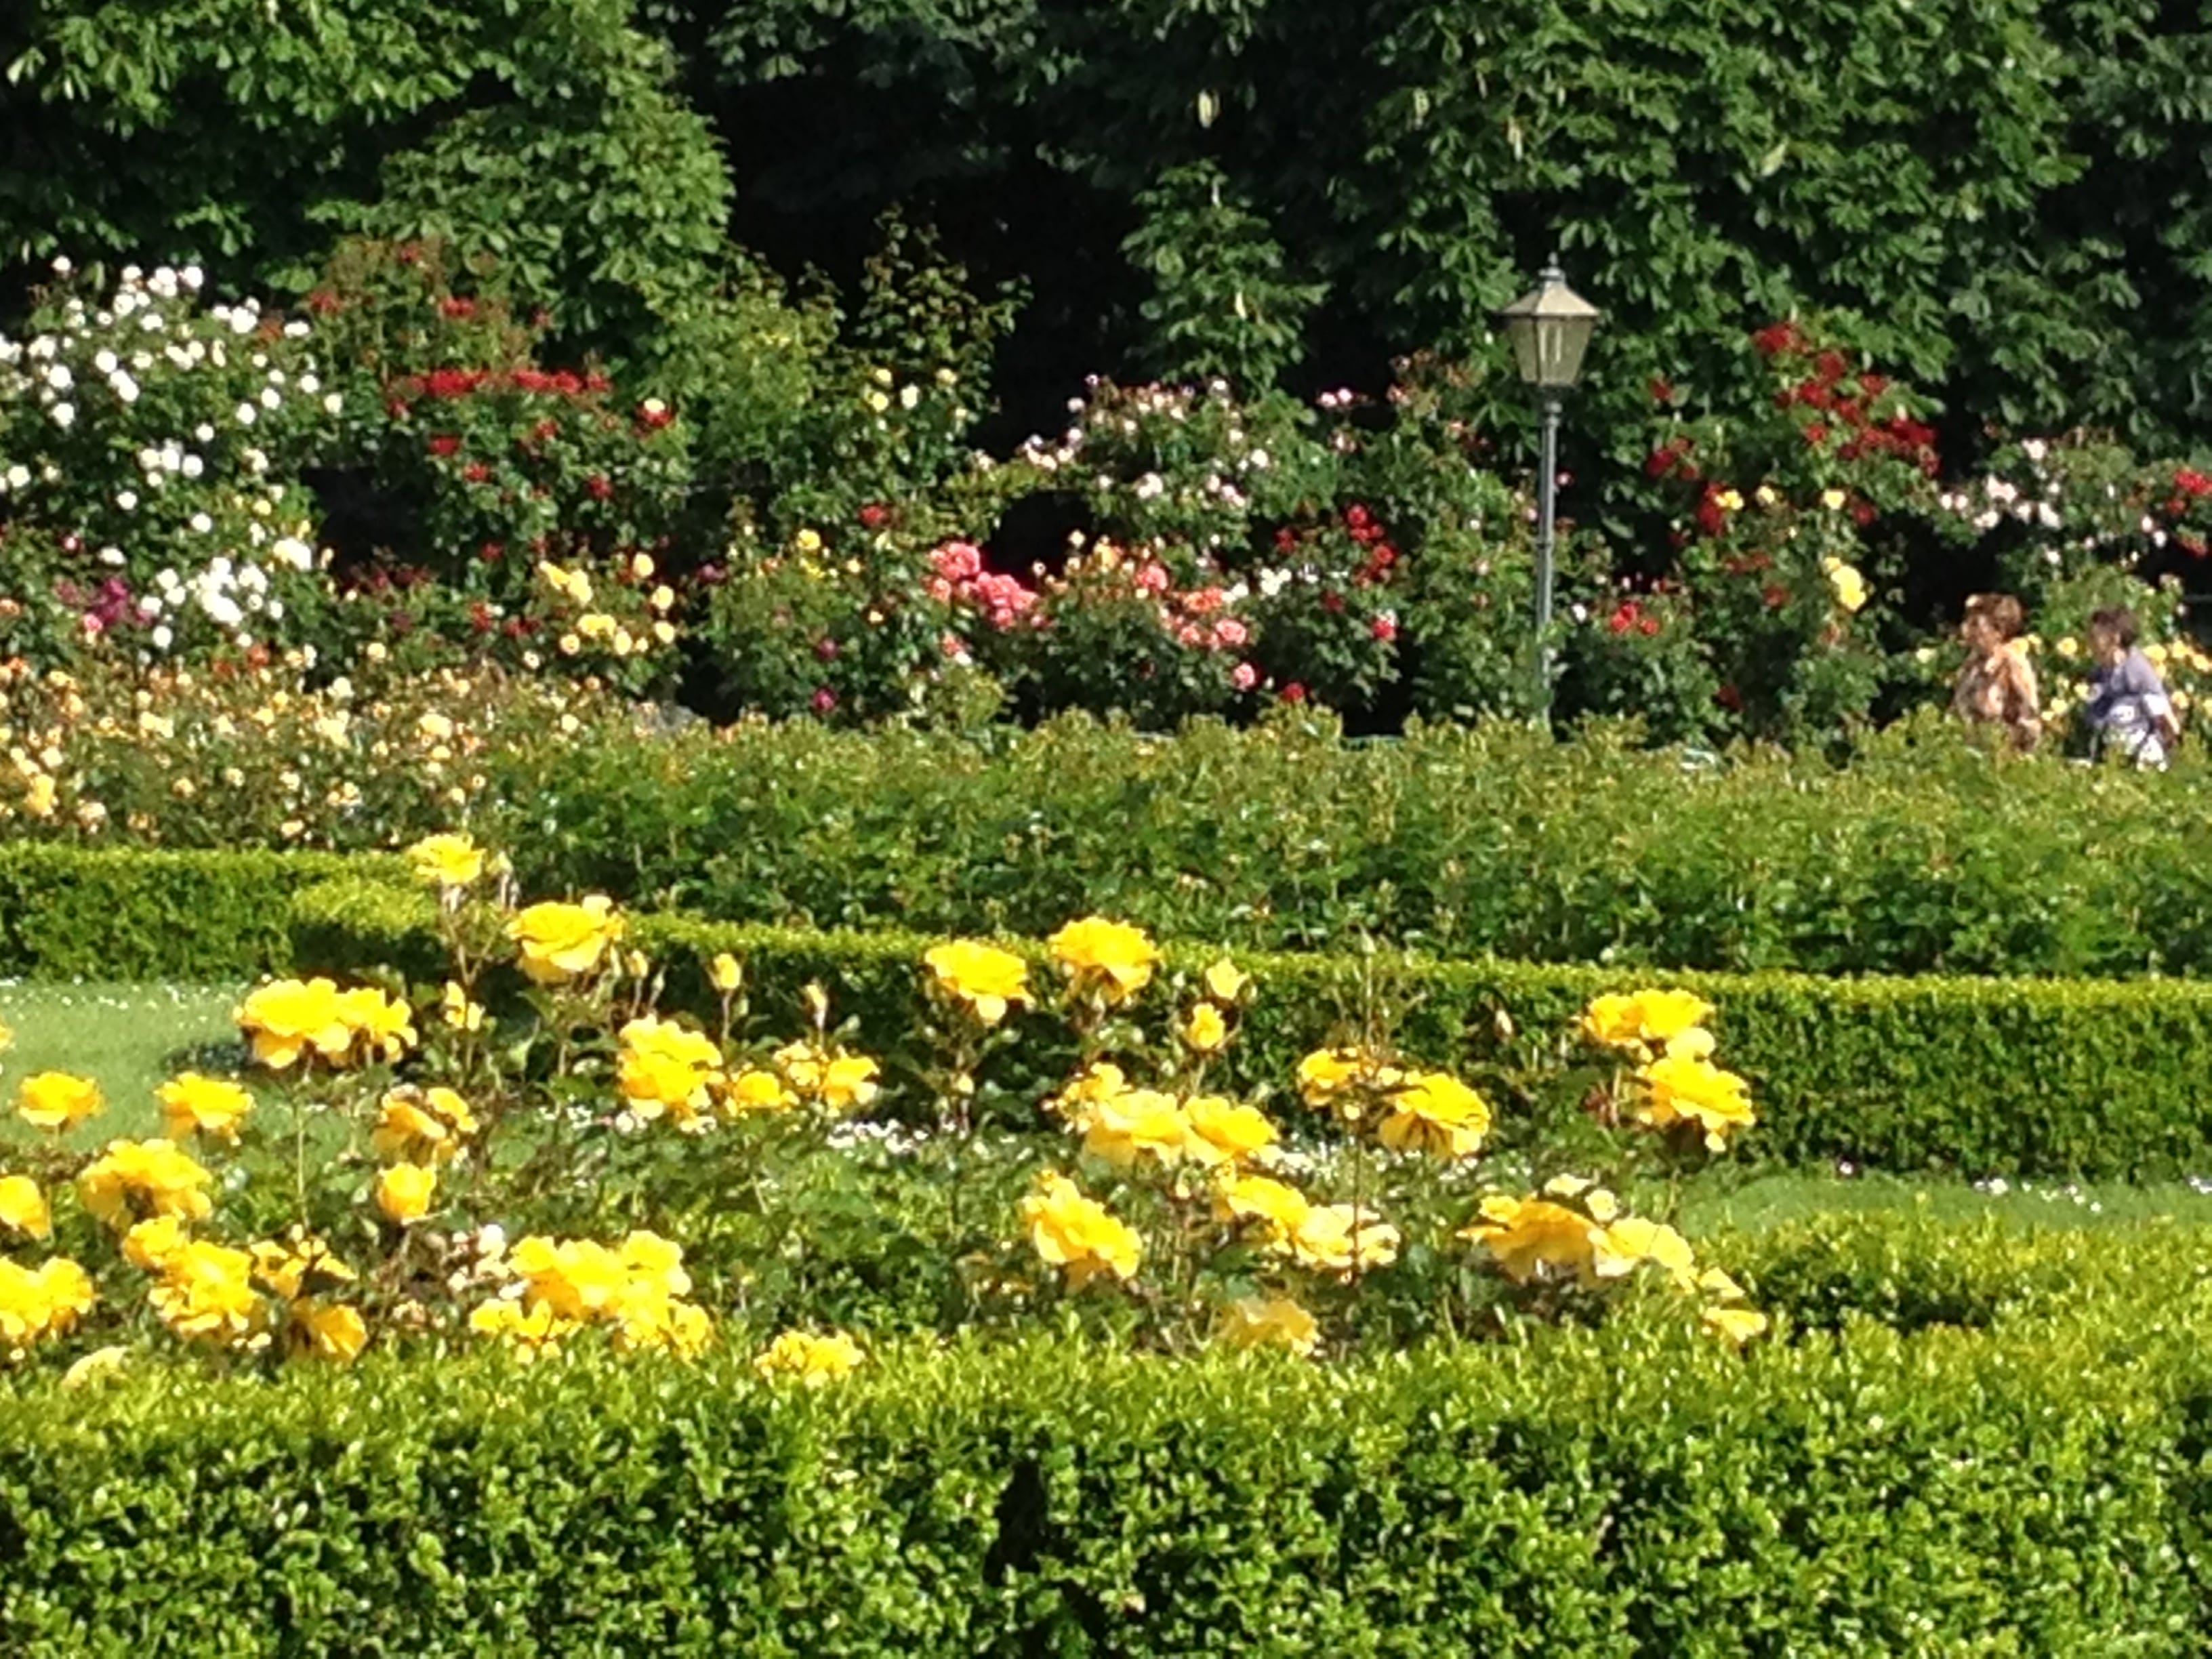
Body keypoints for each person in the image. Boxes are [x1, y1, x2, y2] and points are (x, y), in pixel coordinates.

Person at [2082, 605, 2181, 768]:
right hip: (2113, 741)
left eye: (2095, 637)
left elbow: (2160, 702)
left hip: (2141, 742)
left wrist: (2174, 738)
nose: (2090, 642)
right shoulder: (2103, 668)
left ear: (2115, 638)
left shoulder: (2135, 668)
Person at [1950, 592, 2041, 751]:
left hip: (2005, 750)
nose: (1968, 632)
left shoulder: (2013, 664)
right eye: (1968, 623)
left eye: (1976, 625)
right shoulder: (1971, 666)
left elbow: (2029, 712)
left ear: (1998, 632)